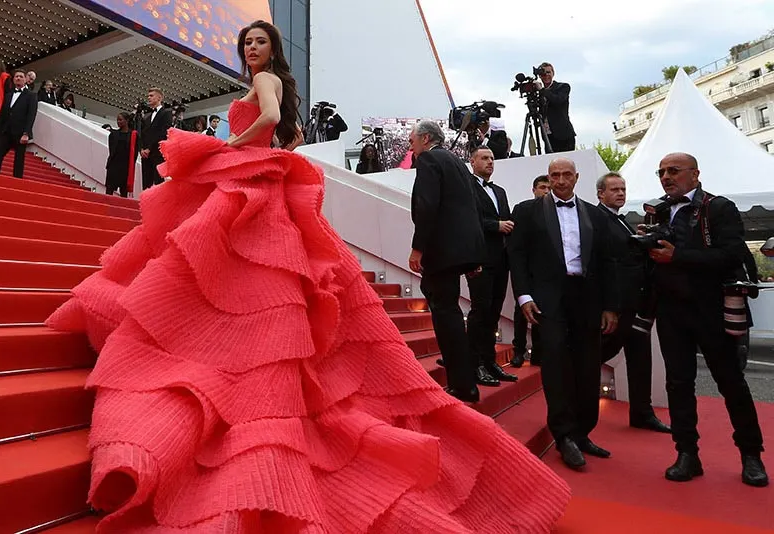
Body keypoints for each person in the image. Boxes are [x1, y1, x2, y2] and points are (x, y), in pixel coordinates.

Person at [46, 20, 571, 532]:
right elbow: (289, 132)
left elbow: (271, 117)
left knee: (231, 267)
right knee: (247, 274)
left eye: (259, 41)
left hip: (249, 178)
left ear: (272, 49)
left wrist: (231, 146)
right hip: (258, 180)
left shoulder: (265, 81)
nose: (251, 48)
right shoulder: (271, 81)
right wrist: (261, 148)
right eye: (247, 42)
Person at [648, 152, 767, 487]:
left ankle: (751, 454)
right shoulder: (658, 210)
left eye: (674, 170)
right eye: (661, 172)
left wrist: (678, 256)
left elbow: (731, 254)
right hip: (671, 311)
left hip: (712, 309)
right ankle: (687, 453)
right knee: (678, 384)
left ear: (695, 174)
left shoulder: (718, 207)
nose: (666, 177)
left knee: (731, 382)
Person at [509, 158, 619, 470]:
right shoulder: (527, 211)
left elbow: (607, 262)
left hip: (587, 299)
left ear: (576, 177)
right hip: (548, 299)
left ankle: (583, 431)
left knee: (588, 364)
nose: (560, 180)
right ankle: (563, 434)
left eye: (566, 175)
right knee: (555, 364)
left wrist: (610, 306)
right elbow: (516, 256)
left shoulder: (594, 214)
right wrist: (523, 295)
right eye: (554, 175)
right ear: (549, 177)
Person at [409, 120, 486, 403]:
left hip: (441, 252)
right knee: (451, 312)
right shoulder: (457, 162)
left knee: (445, 314)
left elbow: (427, 206)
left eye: (412, 141)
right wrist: (474, 255)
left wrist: (418, 248)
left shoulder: (429, 160)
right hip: (463, 251)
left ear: (425, 138)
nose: (411, 148)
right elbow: (473, 207)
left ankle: (462, 384)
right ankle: (465, 381)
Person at [596, 172, 670, 433]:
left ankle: (642, 413)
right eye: (614, 189)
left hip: (638, 304)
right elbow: (605, 265)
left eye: (623, 189)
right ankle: (574, 408)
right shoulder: (598, 220)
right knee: (597, 355)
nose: (620, 193)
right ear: (600, 194)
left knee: (640, 360)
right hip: (617, 306)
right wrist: (608, 307)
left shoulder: (623, 220)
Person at [466, 146, 518, 386]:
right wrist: (495, 225)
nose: (490, 162)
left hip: (501, 259)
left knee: (494, 312)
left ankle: (489, 361)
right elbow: (468, 220)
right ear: (472, 161)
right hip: (479, 259)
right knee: (480, 311)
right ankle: (474, 364)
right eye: (484, 158)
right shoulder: (466, 187)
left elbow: (506, 218)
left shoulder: (500, 191)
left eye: (492, 158)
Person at [510, 175, 549, 368]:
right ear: (534, 190)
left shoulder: (556, 211)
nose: (546, 191)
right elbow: (515, 244)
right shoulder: (522, 209)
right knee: (520, 312)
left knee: (541, 312)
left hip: (545, 272)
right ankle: (518, 351)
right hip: (525, 270)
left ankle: (538, 353)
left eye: (549, 188)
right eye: (542, 187)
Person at [0, 69, 38, 179]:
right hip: (5, 131)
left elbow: (31, 115)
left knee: (19, 160)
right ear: (13, 79)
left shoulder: (31, 96)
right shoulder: (8, 95)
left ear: (25, 79)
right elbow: (2, 116)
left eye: (21, 76)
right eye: (16, 76)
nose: (18, 78)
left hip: (20, 133)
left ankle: (17, 182)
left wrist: (26, 133)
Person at [139, 87, 174, 189]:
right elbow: (142, 134)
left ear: (159, 98)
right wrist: (141, 149)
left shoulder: (166, 113)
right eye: (148, 96)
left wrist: (149, 148)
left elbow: (163, 133)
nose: (148, 98)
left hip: (157, 153)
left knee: (158, 182)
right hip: (145, 155)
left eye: (151, 96)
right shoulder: (147, 117)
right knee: (146, 183)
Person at [539, 62, 576, 153]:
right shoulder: (539, 92)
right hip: (548, 136)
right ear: (539, 76)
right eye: (543, 73)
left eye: (548, 72)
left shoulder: (563, 87)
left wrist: (542, 90)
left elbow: (558, 100)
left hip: (564, 135)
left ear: (553, 73)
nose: (546, 75)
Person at [105, 112, 140, 198]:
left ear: (127, 120)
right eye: (117, 120)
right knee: (109, 190)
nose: (118, 122)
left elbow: (135, 153)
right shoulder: (113, 134)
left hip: (125, 167)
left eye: (120, 120)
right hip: (113, 166)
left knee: (124, 192)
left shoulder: (133, 135)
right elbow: (111, 150)